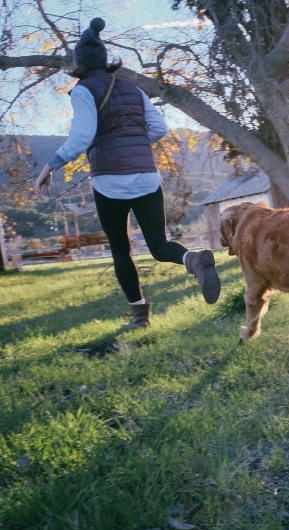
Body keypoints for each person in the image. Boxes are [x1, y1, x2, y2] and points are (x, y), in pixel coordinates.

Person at [34, 18, 221, 328]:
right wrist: (132, 140)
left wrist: (49, 165)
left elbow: (82, 137)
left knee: (121, 249)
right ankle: (194, 260)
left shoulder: (82, 91)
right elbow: (159, 128)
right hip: (147, 176)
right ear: (106, 60)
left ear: (78, 63)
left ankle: (139, 317)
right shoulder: (130, 87)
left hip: (110, 181)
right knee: (159, 246)